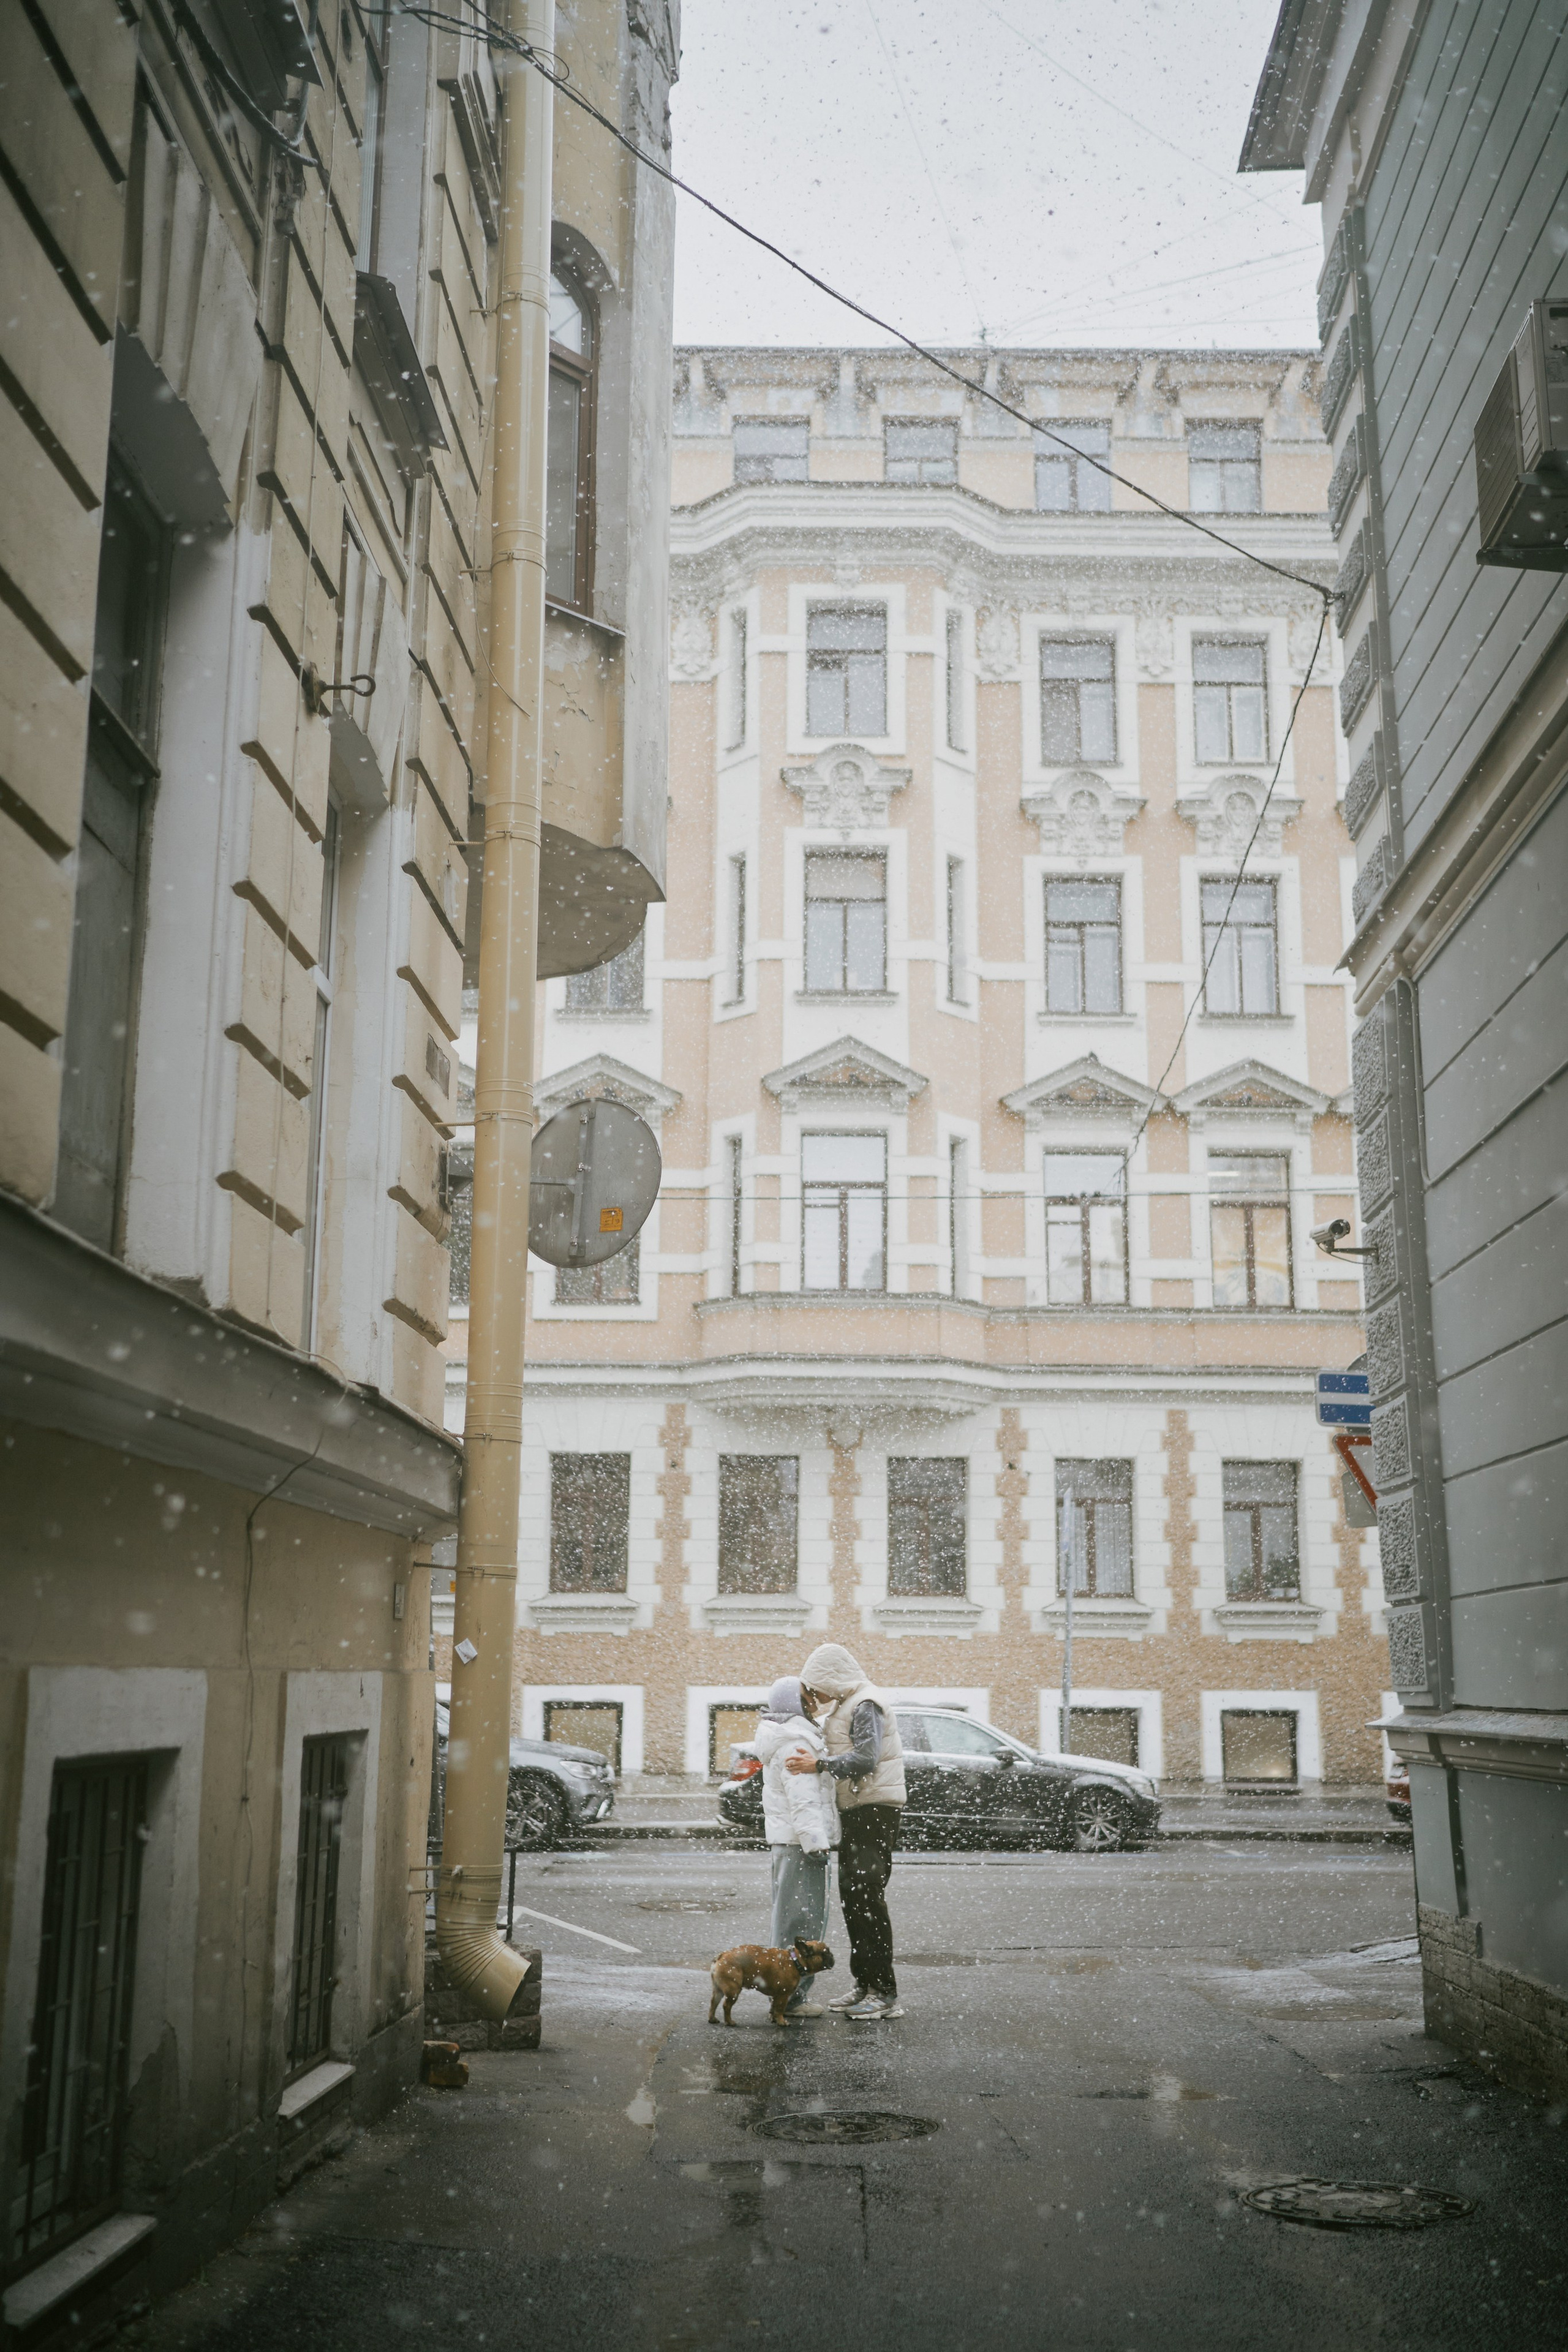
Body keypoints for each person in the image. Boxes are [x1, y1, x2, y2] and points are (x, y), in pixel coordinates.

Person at [786, 1643, 905, 2020]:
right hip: (858, 1809)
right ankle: (864, 1984)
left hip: (874, 1809)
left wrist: (819, 1765)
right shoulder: (847, 1704)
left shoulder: (866, 1703)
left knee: (867, 1900)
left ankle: (884, 1993)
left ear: (831, 1678)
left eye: (815, 1687)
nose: (814, 1695)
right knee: (854, 1901)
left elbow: (867, 1758)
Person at [752, 1675, 839, 2019]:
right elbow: (803, 1801)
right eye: (807, 1696)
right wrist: (816, 1844)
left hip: (789, 1842)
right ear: (794, 1703)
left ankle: (783, 1994)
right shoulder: (795, 1742)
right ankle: (790, 1999)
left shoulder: (789, 1736)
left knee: (790, 1919)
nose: (814, 1701)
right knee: (801, 1922)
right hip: (800, 1844)